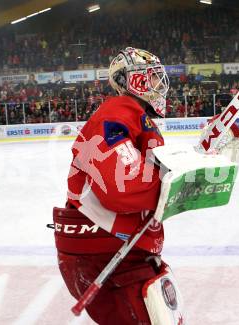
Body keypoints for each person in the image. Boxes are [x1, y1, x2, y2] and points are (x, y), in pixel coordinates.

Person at [52, 47, 184, 324]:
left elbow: (145, 174)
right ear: (134, 80)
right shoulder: (118, 112)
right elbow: (123, 187)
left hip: (121, 251)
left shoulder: (134, 116)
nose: (160, 84)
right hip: (106, 253)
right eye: (153, 77)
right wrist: (181, 181)